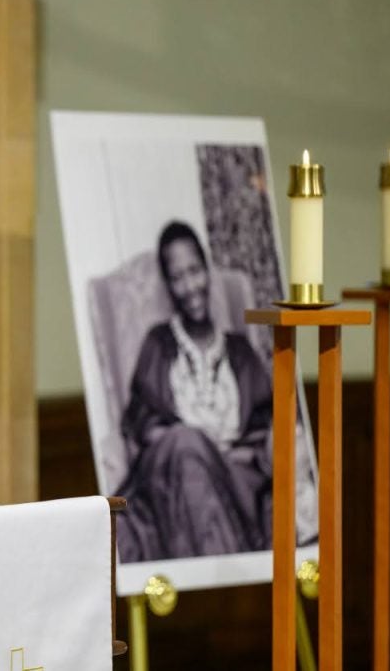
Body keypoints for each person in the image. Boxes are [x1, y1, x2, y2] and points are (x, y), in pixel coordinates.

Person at [115, 221, 273, 562]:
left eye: (194, 271)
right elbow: (141, 423)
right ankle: (231, 590)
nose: (189, 287)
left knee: (196, 459)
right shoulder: (157, 344)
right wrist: (187, 443)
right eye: (177, 277)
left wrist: (220, 458)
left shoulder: (241, 352)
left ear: (207, 270)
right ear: (169, 285)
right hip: (171, 472)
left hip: (235, 478)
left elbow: (263, 429)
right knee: (186, 447)